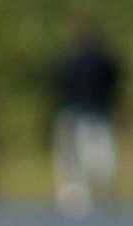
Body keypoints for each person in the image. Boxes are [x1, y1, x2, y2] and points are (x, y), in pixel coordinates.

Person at [48, 21, 123, 214]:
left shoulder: (67, 61)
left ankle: (74, 196)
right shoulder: (106, 62)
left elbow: (57, 85)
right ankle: (103, 193)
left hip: (73, 112)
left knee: (71, 157)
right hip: (98, 113)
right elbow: (116, 81)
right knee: (100, 156)